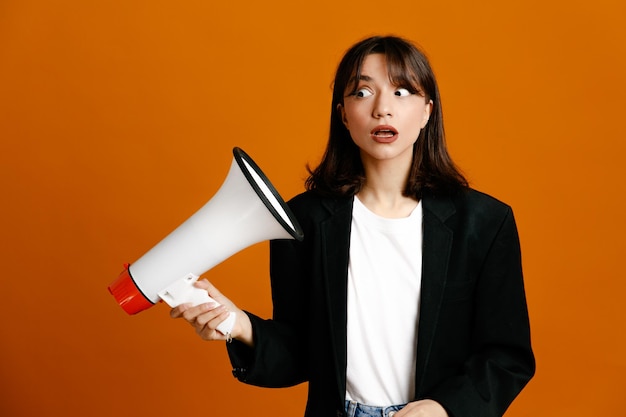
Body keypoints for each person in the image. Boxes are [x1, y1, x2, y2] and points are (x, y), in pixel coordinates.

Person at [171, 35, 535, 417]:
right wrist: (237, 323)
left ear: (428, 111)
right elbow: (300, 354)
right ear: (343, 114)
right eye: (362, 92)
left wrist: (445, 408)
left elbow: (506, 356)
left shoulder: (484, 223)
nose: (382, 109)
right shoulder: (303, 221)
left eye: (402, 91)